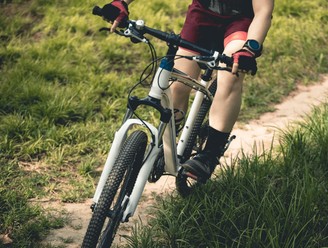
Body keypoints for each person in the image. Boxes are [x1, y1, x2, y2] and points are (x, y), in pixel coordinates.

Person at [99, 0, 274, 182]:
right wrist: (121, 3)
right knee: (177, 85)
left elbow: (263, 11)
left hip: (240, 22)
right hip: (203, 15)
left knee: (230, 76)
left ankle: (209, 155)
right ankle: (166, 146)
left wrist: (250, 48)